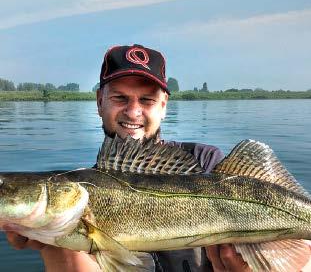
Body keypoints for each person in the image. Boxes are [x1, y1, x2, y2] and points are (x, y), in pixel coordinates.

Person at [4, 44, 303, 271]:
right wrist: (53, 247)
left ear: (163, 106)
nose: (133, 112)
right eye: (120, 98)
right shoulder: (84, 188)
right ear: (99, 102)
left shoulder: (204, 163)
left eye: (146, 100)